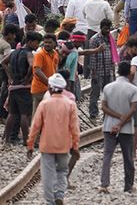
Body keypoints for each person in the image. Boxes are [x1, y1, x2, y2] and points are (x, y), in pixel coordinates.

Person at [27, 73, 79, 205]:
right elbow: (74, 128)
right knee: (62, 171)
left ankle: (50, 201)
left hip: (47, 145)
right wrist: (75, 146)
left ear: (50, 88)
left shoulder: (44, 104)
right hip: (64, 145)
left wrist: (30, 144)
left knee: (48, 175)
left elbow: (35, 126)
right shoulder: (70, 104)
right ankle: (60, 194)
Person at [99, 60, 137, 194]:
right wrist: (121, 122)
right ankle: (128, 185)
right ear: (129, 73)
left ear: (117, 71)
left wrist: (116, 118)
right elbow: (132, 110)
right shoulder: (133, 89)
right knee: (128, 157)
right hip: (126, 128)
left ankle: (104, 184)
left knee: (107, 155)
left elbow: (103, 107)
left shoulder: (108, 87)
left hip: (109, 126)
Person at [30, 32, 59, 115]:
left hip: (49, 87)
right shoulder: (40, 54)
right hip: (39, 88)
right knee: (38, 114)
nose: (47, 44)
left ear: (54, 43)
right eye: (45, 42)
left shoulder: (55, 53)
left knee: (47, 113)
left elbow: (55, 68)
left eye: (50, 42)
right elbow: (37, 71)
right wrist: (49, 82)